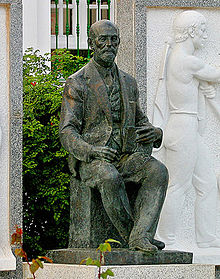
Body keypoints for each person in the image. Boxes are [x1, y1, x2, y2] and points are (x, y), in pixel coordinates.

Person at [59, 20, 168, 252]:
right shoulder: (77, 82)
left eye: (113, 39)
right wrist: (91, 150)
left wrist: (156, 133)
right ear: (91, 44)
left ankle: (140, 236)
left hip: (125, 155)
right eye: (103, 40)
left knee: (158, 171)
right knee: (109, 176)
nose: (109, 45)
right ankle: (137, 236)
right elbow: (67, 131)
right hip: (92, 160)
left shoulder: (129, 82)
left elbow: (140, 121)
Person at [155, 10, 220, 248]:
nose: (205, 35)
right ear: (191, 32)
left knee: (206, 183)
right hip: (182, 128)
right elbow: (216, 75)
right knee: (178, 185)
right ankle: (165, 239)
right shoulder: (186, 60)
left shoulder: (180, 57)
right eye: (202, 30)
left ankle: (205, 237)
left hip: (188, 127)